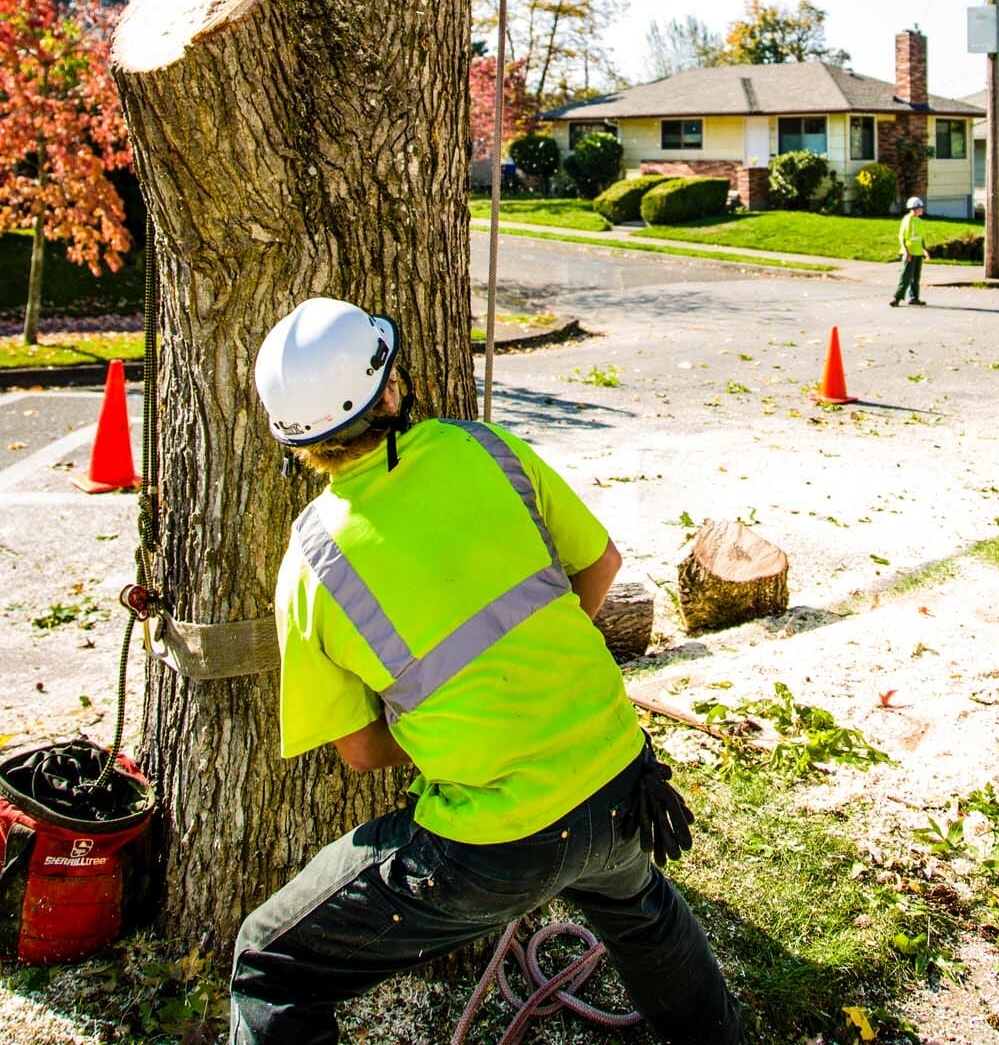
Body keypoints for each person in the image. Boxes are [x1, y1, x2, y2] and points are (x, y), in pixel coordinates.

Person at [230, 297, 740, 1045]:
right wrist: (540, 674)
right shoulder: (487, 450)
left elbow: (361, 750)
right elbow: (600, 564)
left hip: (491, 848)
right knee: (643, 913)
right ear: (391, 390)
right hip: (619, 781)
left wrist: (457, 719)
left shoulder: (310, 564)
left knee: (268, 961)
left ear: (297, 439)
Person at [890, 195, 930, 307]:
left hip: (918, 252)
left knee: (916, 277)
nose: (922, 209)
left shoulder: (919, 221)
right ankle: (896, 298)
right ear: (915, 208)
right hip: (910, 253)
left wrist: (924, 250)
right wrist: (906, 251)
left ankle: (914, 298)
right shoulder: (907, 220)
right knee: (906, 276)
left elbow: (920, 238)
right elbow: (902, 237)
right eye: (921, 207)